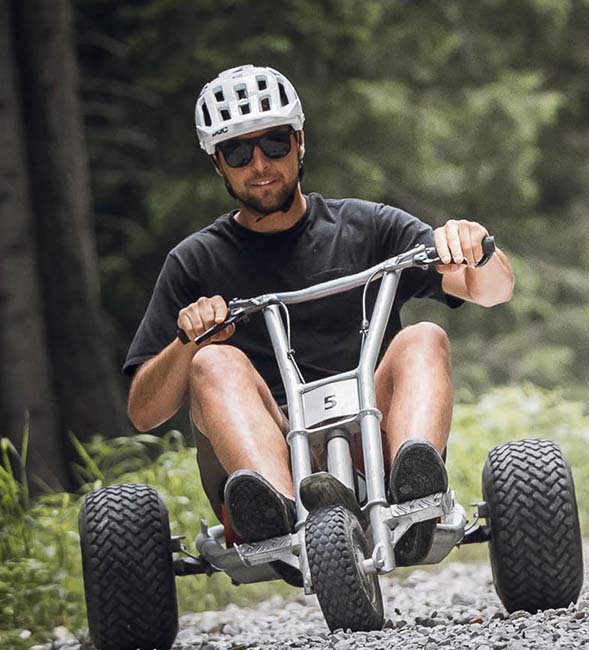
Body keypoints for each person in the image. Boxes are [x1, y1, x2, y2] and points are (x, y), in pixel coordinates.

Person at [123, 65, 514, 567]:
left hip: (373, 441)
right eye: (239, 152)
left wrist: (475, 250)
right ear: (218, 164)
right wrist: (188, 342)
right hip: (270, 448)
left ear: (300, 142)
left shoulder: (368, 226)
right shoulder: (195, 262)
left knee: (424, 336)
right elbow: (143, 412)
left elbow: (494, 292)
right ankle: (278, 512)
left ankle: (415, 493)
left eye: (275, 143)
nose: (260, 164)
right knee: (212, 364)